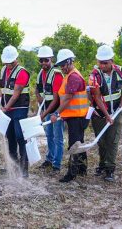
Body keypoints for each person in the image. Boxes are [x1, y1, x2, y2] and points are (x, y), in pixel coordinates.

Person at [89, 45, 122, 182]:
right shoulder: (94, 76)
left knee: (113, 141)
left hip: (116, 114)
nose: (102, 65)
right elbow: (97, 98)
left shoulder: (120, 71)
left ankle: (110, 169)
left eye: (105, 62)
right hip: (100, 115)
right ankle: (102, 164)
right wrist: (106, 116)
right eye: (100, 62)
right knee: (102, 142)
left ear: (112, 61)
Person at [50, 49, 89, 183]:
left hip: (77, 117)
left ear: (69, 62)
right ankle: (82, 169)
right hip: (77, 116)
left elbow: (67, 99)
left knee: (74, 145)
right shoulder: (70, 76)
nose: (61, 68)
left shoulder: (73, 77)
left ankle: (71, 173)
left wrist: (56, 113)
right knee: (80, 143)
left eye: (62, 65)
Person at [0, 45, 30, 178]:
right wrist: (0, 102)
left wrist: (6, 107)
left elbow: (16, 93)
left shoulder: (22, 72)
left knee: (20, 137)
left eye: (10, 62)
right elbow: (3, 90)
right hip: (7, 110)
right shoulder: (3, 70)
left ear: (15, 59)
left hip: (19, 109)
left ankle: (24, 169)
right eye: (6, 62)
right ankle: (13, 165)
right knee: (10, 137)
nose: (8, 64)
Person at [35, 46, 65, 173]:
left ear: (51, 59)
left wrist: (44, 113)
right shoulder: (41, 74)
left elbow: (55, 99)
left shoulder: (57, 74)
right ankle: (49, 159)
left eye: (46, 60)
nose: (43, 63)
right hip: (47, 108)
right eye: (41, 60)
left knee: (57, 137)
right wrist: (39, 99)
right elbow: (37, 90)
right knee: (49, 135)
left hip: (56, 109)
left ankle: (56, 164)